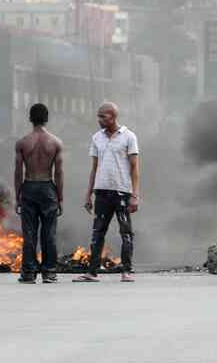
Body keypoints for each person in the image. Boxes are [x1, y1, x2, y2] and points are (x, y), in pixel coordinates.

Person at [73, 102, 140, 283]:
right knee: (98, 233)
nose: (99, 119)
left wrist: (135, 195)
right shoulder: (97, 138)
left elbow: (134, 168)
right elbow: (94, 169)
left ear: (113, 116)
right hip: (101, 192)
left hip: (122, 192)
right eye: (98, 116)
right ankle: (92, 272)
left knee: (126, 233)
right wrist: (88, 194)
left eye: (103, 116)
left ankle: (127, 271)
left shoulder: (129, 136)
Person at [14, 103, 64, 284]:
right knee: (49, 232)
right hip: (47, 188)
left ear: (30, 118)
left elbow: (18, 172)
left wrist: (17, 195)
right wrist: (59, 197)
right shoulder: (56, 142)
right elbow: (58, 173)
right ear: (47, 118)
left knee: (29, 233)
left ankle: (28, 273)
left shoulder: (22, 142)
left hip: (29, 187)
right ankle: (49, 272)